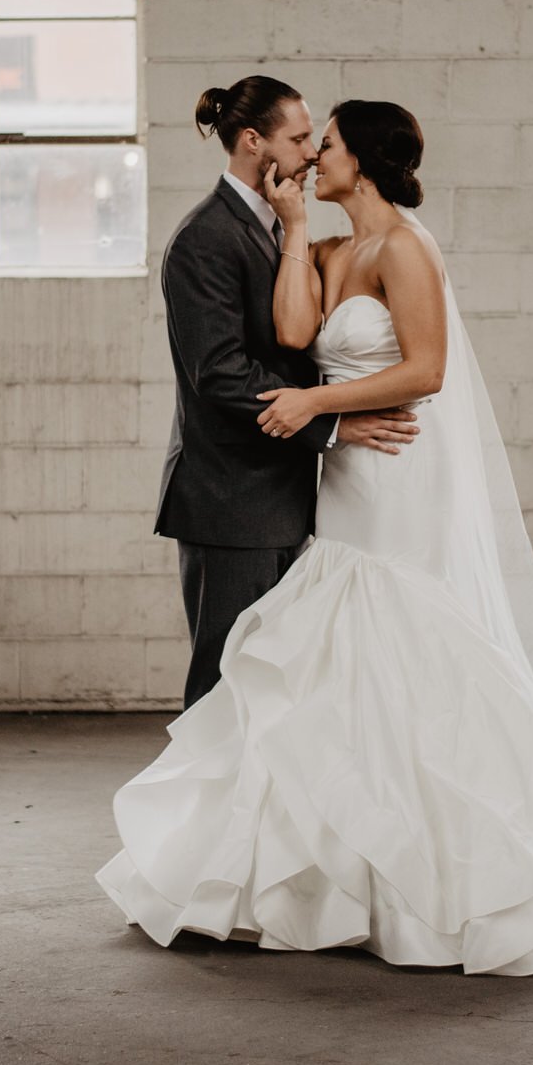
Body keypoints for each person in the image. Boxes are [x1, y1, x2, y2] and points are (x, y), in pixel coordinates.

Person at [101, 99, 533, 976]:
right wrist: (296, 228)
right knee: (340, 659)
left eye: (322, 145)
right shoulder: (330, 247)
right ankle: (340, 857)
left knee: (403, 643)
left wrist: (320, 404)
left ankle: (433, 850)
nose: (310, 158)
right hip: (342, 482)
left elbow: (427, 368)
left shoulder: (408, 247)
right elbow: (297, 332)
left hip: (397, 474)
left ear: (361, 160)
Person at [155, 76, 423, 710]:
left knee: (275, 688)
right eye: (300, 138)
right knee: (226, 684)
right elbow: (220, 374)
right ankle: (204, 811)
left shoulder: (280, 227)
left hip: (287, 496)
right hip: (232, 499)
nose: (310, 153)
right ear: (253, 142)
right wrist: (332, 427)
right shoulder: (205, 239)